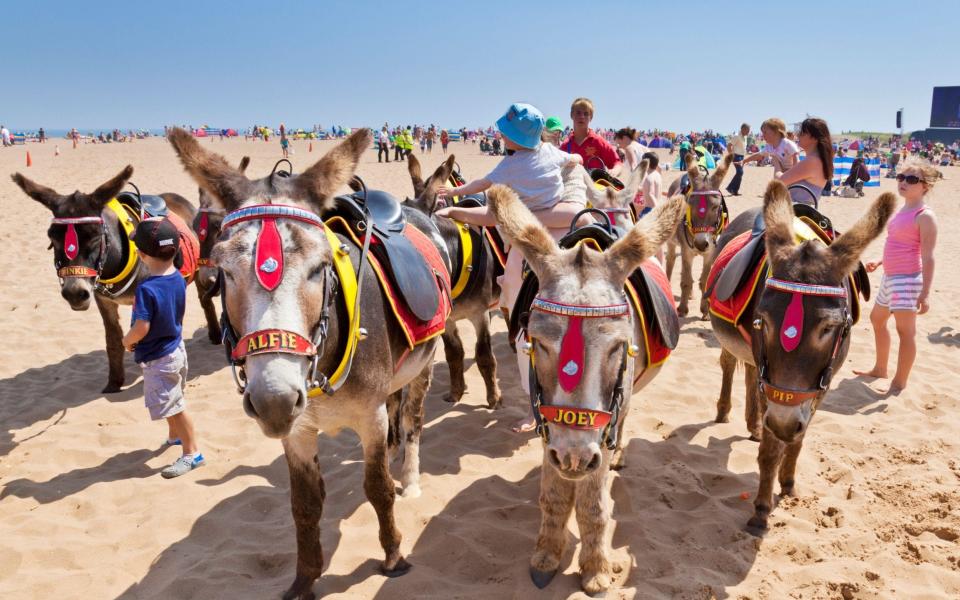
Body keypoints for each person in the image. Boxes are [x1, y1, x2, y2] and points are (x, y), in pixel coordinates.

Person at [434, 103, 585, 433]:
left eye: (504, 132)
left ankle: (534, 409)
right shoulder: (551, 152)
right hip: (561, 222)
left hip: (527, 235)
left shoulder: (509, 166)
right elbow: (572, 159)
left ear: (511, 138)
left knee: (519, 323)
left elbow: (481, 189)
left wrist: (456, 199)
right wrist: (575, 159)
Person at [121, 218, 205, 478]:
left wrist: (128, 340)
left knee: (176, 406)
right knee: (173, 399)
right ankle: (175, 436)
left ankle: (192, 454)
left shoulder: (146, 289)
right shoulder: (179, 278)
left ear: (141, 254)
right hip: (176, 349)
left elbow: (142, 327)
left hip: (159, 358)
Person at [855, 162, 939, 394]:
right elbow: (899, 243)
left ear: (925, 186)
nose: (903, 182)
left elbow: (928, 257)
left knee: (906, 332)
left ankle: (899, 382)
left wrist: (926, 293)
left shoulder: (925, 216)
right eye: (901, 176)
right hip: (890, 277)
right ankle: (881, 369)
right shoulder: (902, 210)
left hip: (908, 280)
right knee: (877, 319)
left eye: (911, 179)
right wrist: (880, 261)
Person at [773, 117, 834, 206]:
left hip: (797, 210)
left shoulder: (812, 161)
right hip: (807, 209)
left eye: (802, 133)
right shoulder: (819, 159)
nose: (798, 135)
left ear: (815, 138)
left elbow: (779, 181)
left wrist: (776, 162)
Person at [561, 97, 621, 172]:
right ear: (571, 115)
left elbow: (617, 163)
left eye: (586, 114)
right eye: (578, 113)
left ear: (591, 117)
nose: (582, 116)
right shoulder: (565, 145)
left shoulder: (598, 142)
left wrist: (614, 171)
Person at [726, 123, 750, 195]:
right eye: (747, 130)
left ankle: (735, 191)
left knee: (740, 173)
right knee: (740, 172)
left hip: (742, 157)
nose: (748, 132)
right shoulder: (736, 136)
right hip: (736, 156)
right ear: (743, 129)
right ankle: (730, 188)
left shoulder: (745, 137)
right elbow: (729, 145)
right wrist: (731, 155)